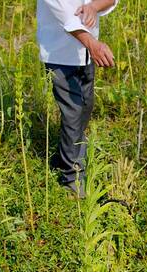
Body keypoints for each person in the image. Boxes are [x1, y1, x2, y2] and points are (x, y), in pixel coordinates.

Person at [37, 0, 119, 198]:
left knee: (85, 106)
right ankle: (71, 178)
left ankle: (66, 157)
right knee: (73, 112)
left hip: (87, 54)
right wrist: (93, 45)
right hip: (60, 56)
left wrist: (93, 7)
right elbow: (68, 18)